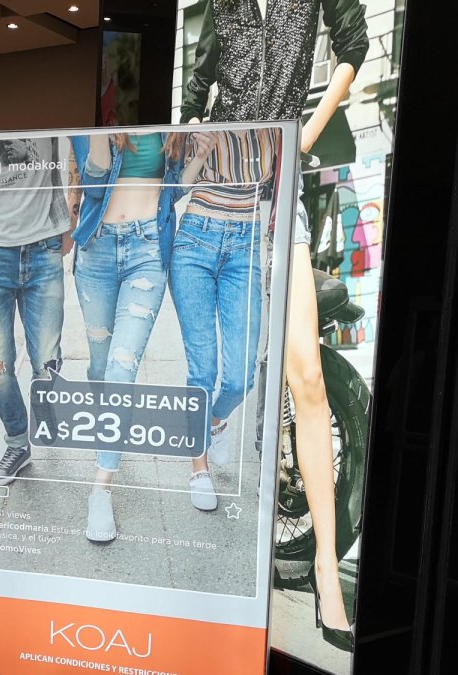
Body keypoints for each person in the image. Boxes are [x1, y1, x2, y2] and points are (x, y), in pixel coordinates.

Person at [180, 0, 371, 652]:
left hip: (281, 182)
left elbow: (353, 43)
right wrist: (195, 142)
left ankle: (327, 571)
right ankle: (205, 472)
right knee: (216, 362)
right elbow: (197, 89)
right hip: (221, 187)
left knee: (307, 375)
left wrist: (305, 134)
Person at [70, 131, 209, 543]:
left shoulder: (166, 127)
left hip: (147, 251)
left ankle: (101, 487)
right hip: (97, 251)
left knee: (121, 368)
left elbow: (173, 190)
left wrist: (199, 156)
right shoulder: (96, 123)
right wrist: (101, 133)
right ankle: (109, 432)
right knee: (100, 367)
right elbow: (95, 185)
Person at [169, 128, 280, 512]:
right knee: (202, 370)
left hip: (245, 246)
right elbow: (178, 188)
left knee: (240, 377)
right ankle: (198, 468)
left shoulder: (273, 127)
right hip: (195, 242)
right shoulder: (207, 115)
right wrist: (199, 151)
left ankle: (215, 421)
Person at [0, 137, 72, 487]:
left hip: (43, 244)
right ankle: (17, 444)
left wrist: (68, 218)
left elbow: (63, 162)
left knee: (46, 361)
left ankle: (45, 404)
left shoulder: (46, 115)